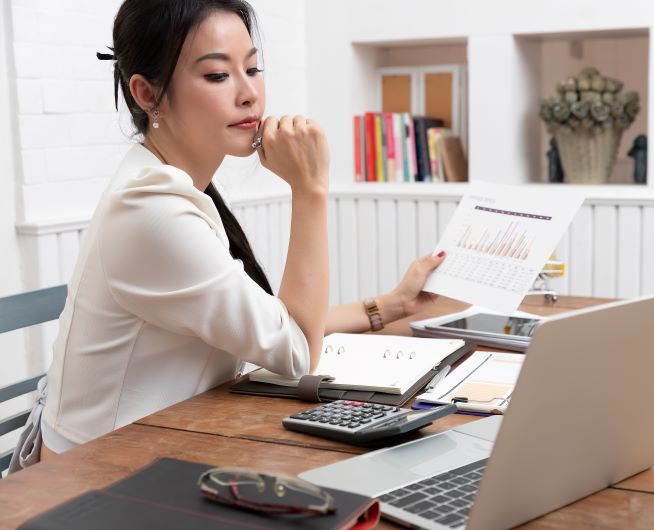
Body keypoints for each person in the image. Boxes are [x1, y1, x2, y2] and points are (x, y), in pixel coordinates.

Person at [12, 0, 446, 469]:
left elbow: (272, 324)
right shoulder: (151, 210)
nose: (249, 95)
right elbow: (298, 351)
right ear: (146, 94)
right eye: (218, 75)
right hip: (92, 480)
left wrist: (390, 306)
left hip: (161, 448)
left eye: (253, 69)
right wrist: (310, 189)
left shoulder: (169, 186)